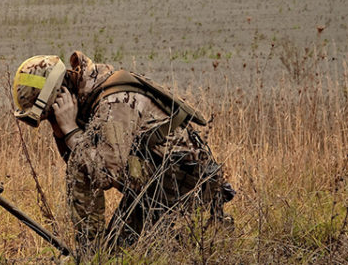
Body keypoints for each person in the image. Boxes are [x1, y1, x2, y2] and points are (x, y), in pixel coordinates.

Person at [12, 51, 234, 254]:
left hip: (182, 184)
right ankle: (96, 255)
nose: (52, 118)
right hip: (157, 182)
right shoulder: (89, 96)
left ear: (61, 94)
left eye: (49, 113)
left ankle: (202, 236)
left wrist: (71, 131)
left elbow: (104, 174)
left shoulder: (114, 102)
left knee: (122, 254)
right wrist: (61, 133)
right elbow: (81, 162)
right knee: (116, 252)